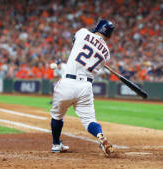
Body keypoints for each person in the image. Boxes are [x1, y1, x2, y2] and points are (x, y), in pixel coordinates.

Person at [49, 19, 115, 157]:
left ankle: (56, 144)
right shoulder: (106, 54)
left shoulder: (83, 32)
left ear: (97, 27)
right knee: (90, 121)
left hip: (67, 82)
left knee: (57, 116)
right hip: (86, 87)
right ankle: (100, 135)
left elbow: (75, 42)